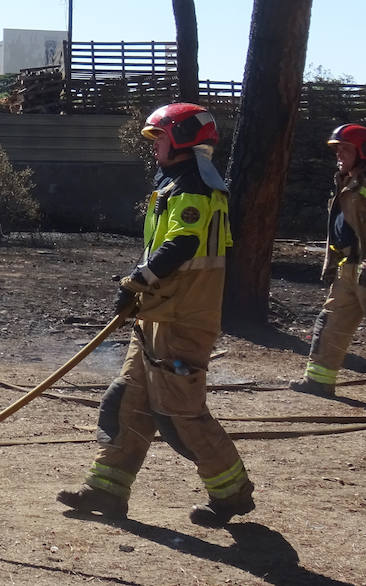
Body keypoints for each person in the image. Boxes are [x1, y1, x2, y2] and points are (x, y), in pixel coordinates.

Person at [57, 102, 254, 526]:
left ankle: (233, 490)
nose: (154, 147)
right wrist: (141, 288)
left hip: (183, 320)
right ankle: (106, 489)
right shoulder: (176, 184)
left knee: (179, 415)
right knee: (126, 400)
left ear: (182, 139)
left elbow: (180, 245)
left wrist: (137, 280)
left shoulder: (195, 189)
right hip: (158, 314)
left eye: (159, 138)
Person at [291, 123, 366, 398]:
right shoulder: (344, 181)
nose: (340, 155)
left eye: (345, 149)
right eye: (338, 149)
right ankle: (319, 381)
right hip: (349, 268)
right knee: (331, 324)